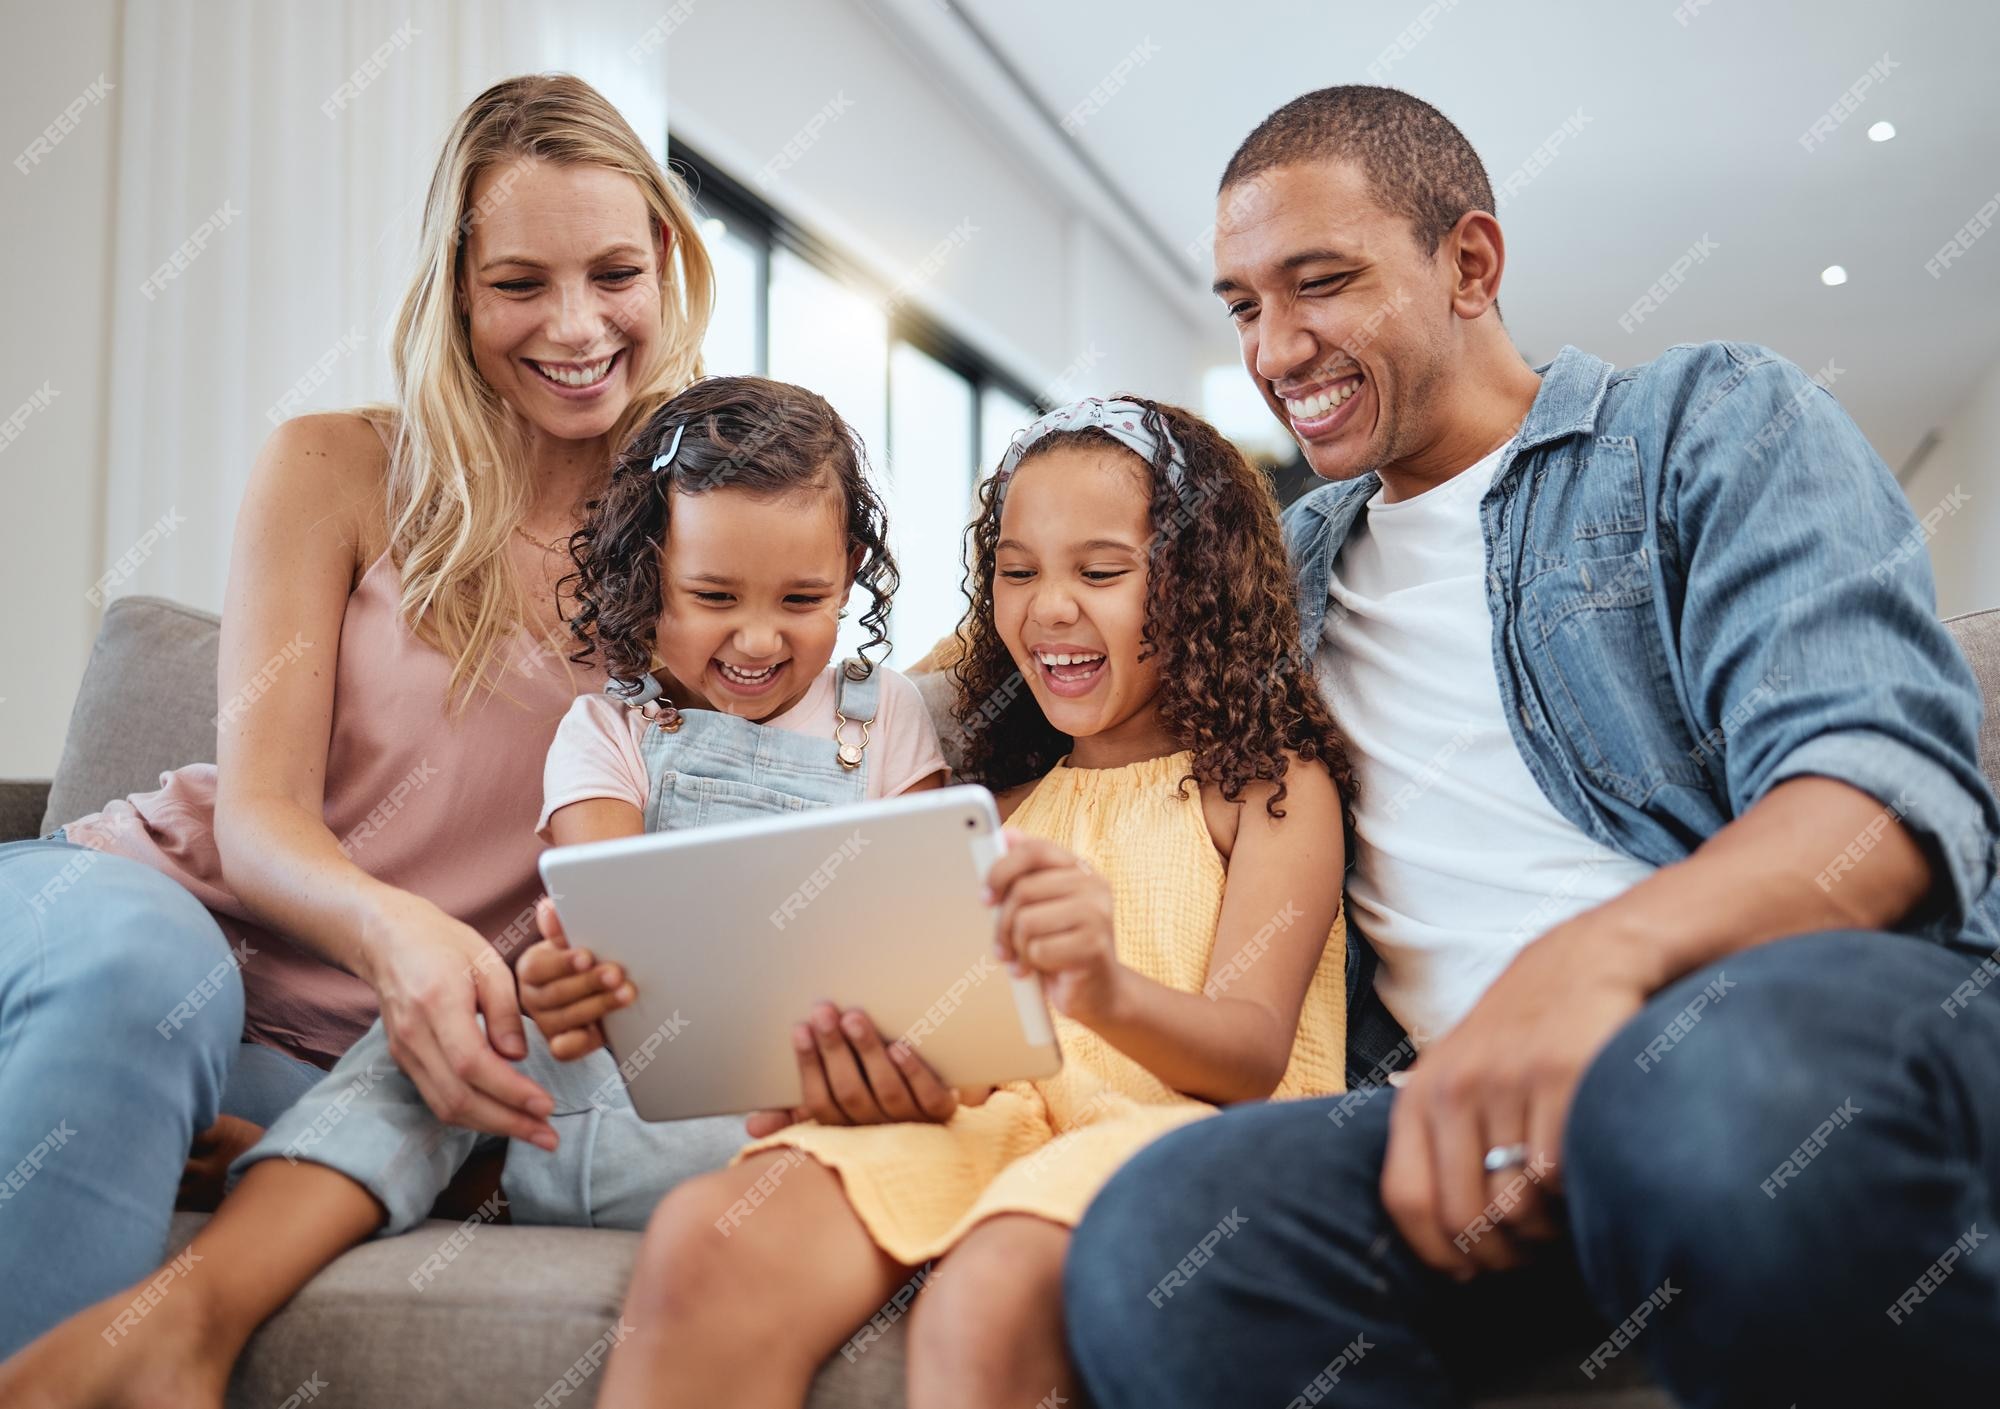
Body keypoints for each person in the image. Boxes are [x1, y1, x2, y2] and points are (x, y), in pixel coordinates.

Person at [1063, 87, 2000, 1409]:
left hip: (1786, 1043)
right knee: (1161, 1240)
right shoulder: (1284, 586)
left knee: (1719, 1096)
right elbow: (1054, 688)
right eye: (1241, 305)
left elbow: (1878, 797)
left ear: (1471, 264)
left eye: (1319, 283)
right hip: (1451, 1135)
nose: (1275, 349)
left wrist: (1587, 975)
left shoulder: (1705, 424)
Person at [0, 376, 957, 1406]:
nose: (759, 640)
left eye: (802, 600)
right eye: (714, 597)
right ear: (649, 576)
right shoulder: (608, 728)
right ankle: (192, 1316)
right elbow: (612, 921)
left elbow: (924, 931)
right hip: (614, 1088)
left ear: (850, 573)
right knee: (456, 1023)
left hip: (781, 1115)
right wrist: (567, 981)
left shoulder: (885, 715)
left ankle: (325, 1171)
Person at [0, 73, 714, 1355]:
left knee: (371, 1135)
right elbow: (262, 819)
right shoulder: (338, 466)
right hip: (149, 913)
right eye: (517, 283)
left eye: (613, 272)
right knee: (143, 975)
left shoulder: (706, 527)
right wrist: (404, 935)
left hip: (346, 1057)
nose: (574, 324)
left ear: (664, 262)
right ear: (453, 287)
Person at [585, 395, 1353, 1409]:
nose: (1047, 608)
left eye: (1100, 571)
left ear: (1200, 586)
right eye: (1017, 569)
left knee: (988, 1296)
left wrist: (1100, 989)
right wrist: (864, 1066)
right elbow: (952, 1050)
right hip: (995, 1132)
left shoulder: (1265, 787)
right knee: (706, 1233)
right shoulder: (987, 811)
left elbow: (1252, 1055)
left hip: (1189, 1140)